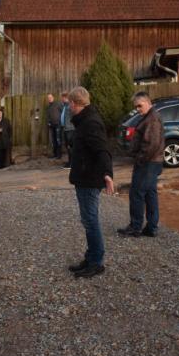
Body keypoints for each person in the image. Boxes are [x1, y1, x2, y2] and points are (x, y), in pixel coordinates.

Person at [66, 86, 114, 278]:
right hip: (84, 178)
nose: (68, 106)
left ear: (74, 103)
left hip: (89, 180)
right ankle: (91, 257)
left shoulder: (90, 123)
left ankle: (96, 262)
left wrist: (107, 174)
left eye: (69, 103)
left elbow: (102, 150)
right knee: (88, 220)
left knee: (91, 221)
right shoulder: (84, 121)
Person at [118, 92, 165, 238]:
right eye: (136, 106)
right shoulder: (149, 117)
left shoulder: (152, 119)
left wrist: (140, 159)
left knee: (137, 194)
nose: (138, 108)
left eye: (140, 105)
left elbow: (151, 145)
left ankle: (135, 227)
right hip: (152, 162)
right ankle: (151, 228)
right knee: (150, 194)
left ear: (148, 102)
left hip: (148, 163)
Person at [60, 91, 75, 169]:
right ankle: (70, 162)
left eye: (62, 97)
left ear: (65, 98)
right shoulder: (65, 106)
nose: (61, 99)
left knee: (70, 146)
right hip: (65, 129)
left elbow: (74, 117)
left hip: (70, 129)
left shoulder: (69, 106)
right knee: (67, 146)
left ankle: (71, 164)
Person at [46, 93, 62, 159]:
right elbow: (48, 116)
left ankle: (59, 155)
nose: (49, 99)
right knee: (53, 140)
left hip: (58, 124)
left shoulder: (58, 104)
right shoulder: (48, 106)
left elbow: (62, 113)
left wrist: (61, 122)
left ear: (53, 97)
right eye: (48, 98)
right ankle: (55, 154)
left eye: (50, 97)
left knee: (58, 140)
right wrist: (48, 122)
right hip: (51, 125)